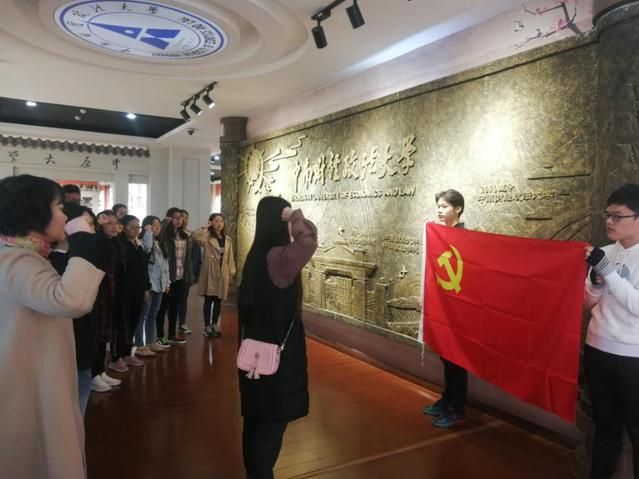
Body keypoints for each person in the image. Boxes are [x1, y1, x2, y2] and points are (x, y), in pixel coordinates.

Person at [0, 174, 105, 479]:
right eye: (59, 207)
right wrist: (83, 243)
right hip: (28, 389)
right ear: (34, 212)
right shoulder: (16, 261)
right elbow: (70, 300)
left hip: (33, 376)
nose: (65, 216)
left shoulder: (23, 255)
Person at [238, 197, 317, 479]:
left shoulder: (255, 256)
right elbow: (308, 243)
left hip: (252, 355)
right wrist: (295, 216)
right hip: (276, 359)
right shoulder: (278, 258)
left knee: (255, 422)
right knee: (270, 428)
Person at [584, 184, 639, 479]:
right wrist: (596, 283)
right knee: (605, 426)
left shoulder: (605, 259)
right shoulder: (604, 252)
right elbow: (587, 302)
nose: (609, 221)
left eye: (617, 216)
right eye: (607, 215)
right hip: (597, 348)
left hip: (633, 356)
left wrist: (609, 272)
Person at [422, 189, 469, 428]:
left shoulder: (466, 238)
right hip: (443, 307)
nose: (439, 211)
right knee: (446, 357)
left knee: (457, 360)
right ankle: (448, 398)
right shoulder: (441, 236)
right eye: (438, 206)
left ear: (457, 209)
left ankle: (457, 408)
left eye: (444, 206)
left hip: (459, 311)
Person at [50, 202, 101, 415]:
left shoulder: (83, 254)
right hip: (61, 336)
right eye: (87, 223)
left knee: (82, 379)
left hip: (83, 332)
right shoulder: (48, 258)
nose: (92, 228)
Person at [193, 213, 236, 338]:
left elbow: (230, 258)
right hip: (210, 272)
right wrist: (205, 227)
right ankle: (207, 326)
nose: (219, 224)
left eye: (221, 221)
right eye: (216, 221)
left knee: (218, 300)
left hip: (222, 272)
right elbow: (196, 237)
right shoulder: (207, 237)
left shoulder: (227, 239)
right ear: (211, 222)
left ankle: (214, 324)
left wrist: (231, 272)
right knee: (208, 299)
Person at [134, 215, 170, 356]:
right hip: (149, 285)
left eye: (159, 226)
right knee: (142, 316)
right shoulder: (142, 242)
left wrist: (167, 282)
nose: (158, 228)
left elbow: (165, 266)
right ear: (147, 226)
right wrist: (148, 232)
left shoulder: (160, 243)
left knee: (153, 315)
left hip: (159, 284)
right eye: (154, 225)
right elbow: (147, 248)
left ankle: (150, 342)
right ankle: (139, 345)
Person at [157, 207, 193, 345]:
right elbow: (159, 240)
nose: (178, 220)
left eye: (180, 217)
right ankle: (160, 336)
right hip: (168, 276)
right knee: (163, 307)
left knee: (174, 306)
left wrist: (189, 275)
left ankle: (172, 334)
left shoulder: (185, 235)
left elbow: (187, 258)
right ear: (168, 219)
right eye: (175, 217)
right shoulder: (165, 235)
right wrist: (164, 224)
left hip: (181, 276)